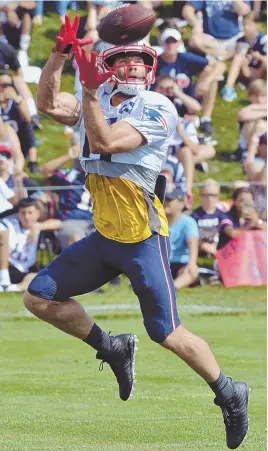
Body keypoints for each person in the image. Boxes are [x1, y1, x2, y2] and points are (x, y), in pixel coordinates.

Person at [23, 16, 249, 450]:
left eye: (139, 61)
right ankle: (112, 347)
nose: (132, 67)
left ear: (151, 68)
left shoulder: (158, 107)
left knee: (167, 333)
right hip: (105, 236)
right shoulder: (101, 95)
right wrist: (58, 54)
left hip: (142, 237)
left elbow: (106, 141)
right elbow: (48, 103)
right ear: (110, 65)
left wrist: (89, 91)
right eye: (123, 59)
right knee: (39, 297)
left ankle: (228, 390)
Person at [155, 28, 226, 135]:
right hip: (165, 103)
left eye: (173, 41)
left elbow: (220, 65)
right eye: (167, 41)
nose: (170, 45)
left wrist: (206, 81)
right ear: (162, 43)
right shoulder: (155, 62)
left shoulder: (184, 57)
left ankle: (206, 119)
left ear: (179, 43)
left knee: (210, 73)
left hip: (186, 98)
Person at [221, 11, 267, 102]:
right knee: (239, 57)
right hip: (247, 72)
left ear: (256, 25)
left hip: (260, 72)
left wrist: (259, 57)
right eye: (244, 25)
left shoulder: (263, 39)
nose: (246, 28)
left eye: (249, 25)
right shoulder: (241, 40)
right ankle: (228, 88)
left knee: (266, 62)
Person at [182, 0, 251, 60]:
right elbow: (187, 10)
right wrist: (196, 24)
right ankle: (223, 54)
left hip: (234, 38)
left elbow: (245, 10)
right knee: (194, 41)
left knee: (245, 44)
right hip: (211, 39)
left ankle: (217, 55)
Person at [164, 185, 199, 289]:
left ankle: (173, 287)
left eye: (169, 200)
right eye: (164, 199)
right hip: (162, 262)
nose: (165, 202)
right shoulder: (156, 220)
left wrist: (192, 263)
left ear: (181, 203)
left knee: (191, 271)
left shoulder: (188, 222)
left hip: (180, 262)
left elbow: (193, 244)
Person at [191, 179, 226, 257]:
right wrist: (204, 246)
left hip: (218, 246)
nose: (210, 198)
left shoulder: (222, 215)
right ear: (200, 195)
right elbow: (192, 236)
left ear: (218, 196)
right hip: (200, 247)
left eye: (213, 195)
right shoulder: (194, 216)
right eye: (206, 195)